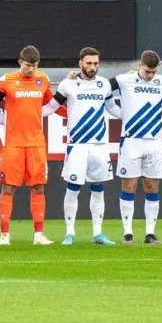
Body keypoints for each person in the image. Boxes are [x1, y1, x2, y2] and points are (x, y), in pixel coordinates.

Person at [49, 47, 116, 245]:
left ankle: (98, 234)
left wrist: (130, 118)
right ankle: (70, 233)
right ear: (80, 63)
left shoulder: (104, 84)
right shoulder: (68, 84)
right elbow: (51, 107)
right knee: (73, 188)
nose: (93, 67)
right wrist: (28, 115)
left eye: (96, 63)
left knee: (98, 189)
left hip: (99, 146)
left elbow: (112, 108)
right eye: (89, 63)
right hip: (77, 145)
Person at [112, 50, 162, 243]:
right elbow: (102, 89)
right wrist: (120, 113)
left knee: (151, 186)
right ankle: (128, 232)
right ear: (140, 65)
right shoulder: (125, 80)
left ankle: (150, 233)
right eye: (148, 71)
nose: (150, 75)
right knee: (129, 185)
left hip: (154, 142)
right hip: (131, 140)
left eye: (154, 72)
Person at [0, 47, 53, 245]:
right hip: (13, 144)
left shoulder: (43, 80)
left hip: (36, 143)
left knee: (38, 188)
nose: (30, 70)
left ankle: (38, 236)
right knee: (8, 188)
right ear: (20, 62)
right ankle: (4, 236)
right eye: (28, 65)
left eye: (34, 66)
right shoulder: (6, 80)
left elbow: (52, 104)